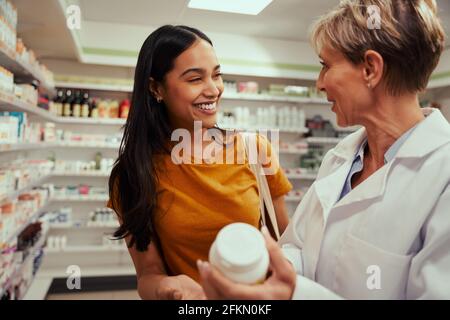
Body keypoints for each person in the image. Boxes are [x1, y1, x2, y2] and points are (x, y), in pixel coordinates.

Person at [198, 0, 450, 299]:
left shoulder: (442, 176)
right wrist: (267, 267)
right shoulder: (342, 158)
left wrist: (294, 294)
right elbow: (302, 247)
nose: (319, 83)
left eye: (326, 66)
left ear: (371, 68)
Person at [107, 25, 292, 300]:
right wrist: (167, 286)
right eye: (195, 79)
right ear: (156, 88)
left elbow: (285, 246)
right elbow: (147, 274)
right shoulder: (134, 174)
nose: (214, 89)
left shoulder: (254, 150)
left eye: (217, 75)